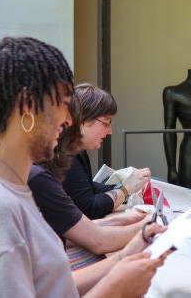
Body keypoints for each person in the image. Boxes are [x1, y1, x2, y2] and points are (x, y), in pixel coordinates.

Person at [0, 37, 166, 297]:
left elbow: (50, 288)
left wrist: (125, 256)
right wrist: (116, 289)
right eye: (63, 105)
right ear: (26, 107)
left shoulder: (14, 189)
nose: (69, 120)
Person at [28, 92, 149, 258]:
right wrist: (148, 226)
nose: (65, 127)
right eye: (106, 123)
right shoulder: (40, 173)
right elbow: (92, 220)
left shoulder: (38, 173)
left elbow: (73, 228)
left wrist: (130, 216)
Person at [62, 84, 151, 220]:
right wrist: (125, 189)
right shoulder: (65, 154)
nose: (110, 131)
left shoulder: (75, 150)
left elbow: (87, 187)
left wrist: (127, 186)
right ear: (83, 120)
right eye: (106, 122)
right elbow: (89, 208)